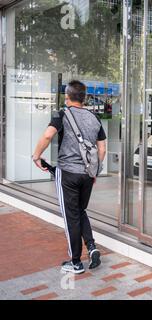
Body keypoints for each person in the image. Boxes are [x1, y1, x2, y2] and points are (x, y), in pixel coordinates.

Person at [32, 80, 107, 274]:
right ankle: (92, 247)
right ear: (84, 97)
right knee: (80, 211)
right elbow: (102, 148)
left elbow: (48, 136)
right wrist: (95, 171)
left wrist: (36, 155)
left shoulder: (62, 114)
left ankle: (75, 263)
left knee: (71, 217)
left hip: (68, 174)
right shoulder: (94, 117)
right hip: (88, 175)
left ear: (67, 97)